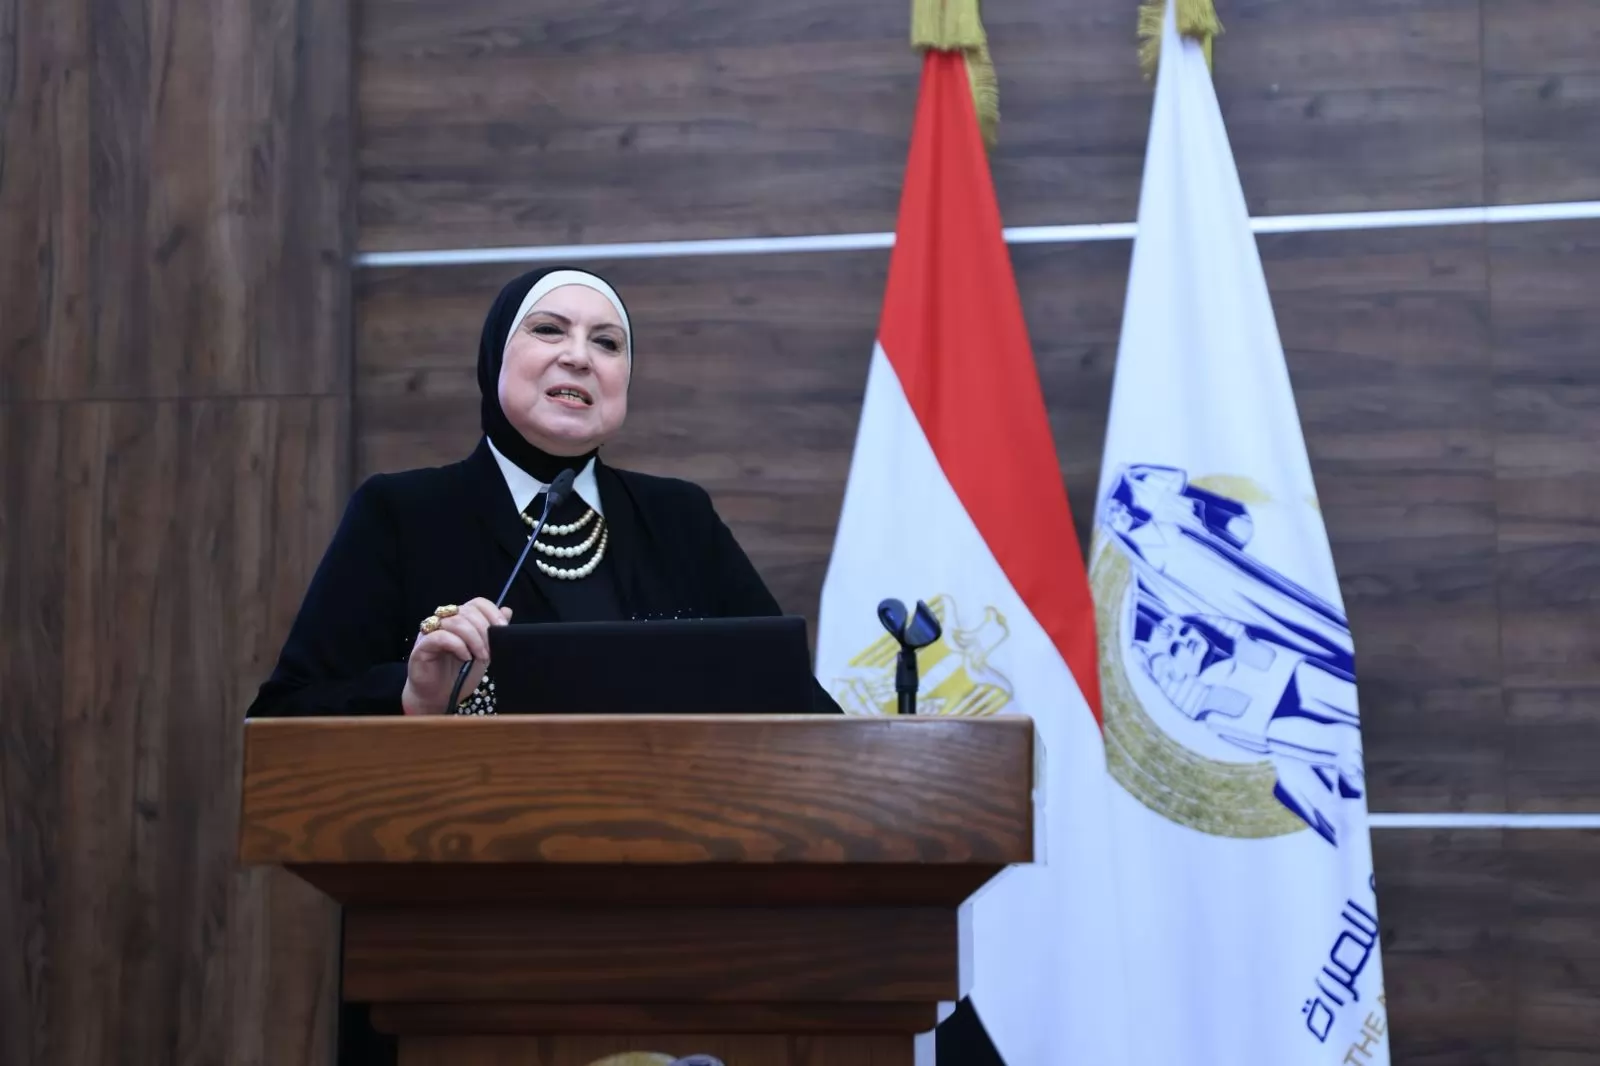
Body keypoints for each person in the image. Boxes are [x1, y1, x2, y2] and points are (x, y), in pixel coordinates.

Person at [247, 265, 842, 719]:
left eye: (607, 343)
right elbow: (286, 713)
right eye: (549, 330)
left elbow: (794, 701)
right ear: (494, 358)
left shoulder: (680, 517)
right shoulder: (403, 513)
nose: (578, 357)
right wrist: (412, 696)